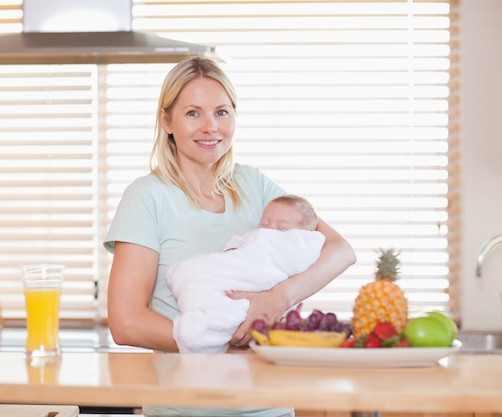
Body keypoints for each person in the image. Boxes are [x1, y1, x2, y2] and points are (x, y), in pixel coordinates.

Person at [103, 56, 356, 417]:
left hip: (270, 407)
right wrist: (220, 338)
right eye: (193, 113)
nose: (211, 127)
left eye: (222, 112)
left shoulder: (254, 185)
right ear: (166, 121)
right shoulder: (147, 197)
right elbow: (126, 323)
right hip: (184, 409)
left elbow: (340, 250)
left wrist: (274, 301)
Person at [167, 194, 326, 353]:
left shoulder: (300, 248)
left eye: (282, 228)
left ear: (301, 236)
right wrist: (233, 254)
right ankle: (200, 312)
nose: (269, 230)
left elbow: (302, 267)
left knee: (232, 312)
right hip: (239, 280)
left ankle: (205, 328)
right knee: (196, 273)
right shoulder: (252, 236)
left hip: (267, 299)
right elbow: (234, 251)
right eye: (265, 223)